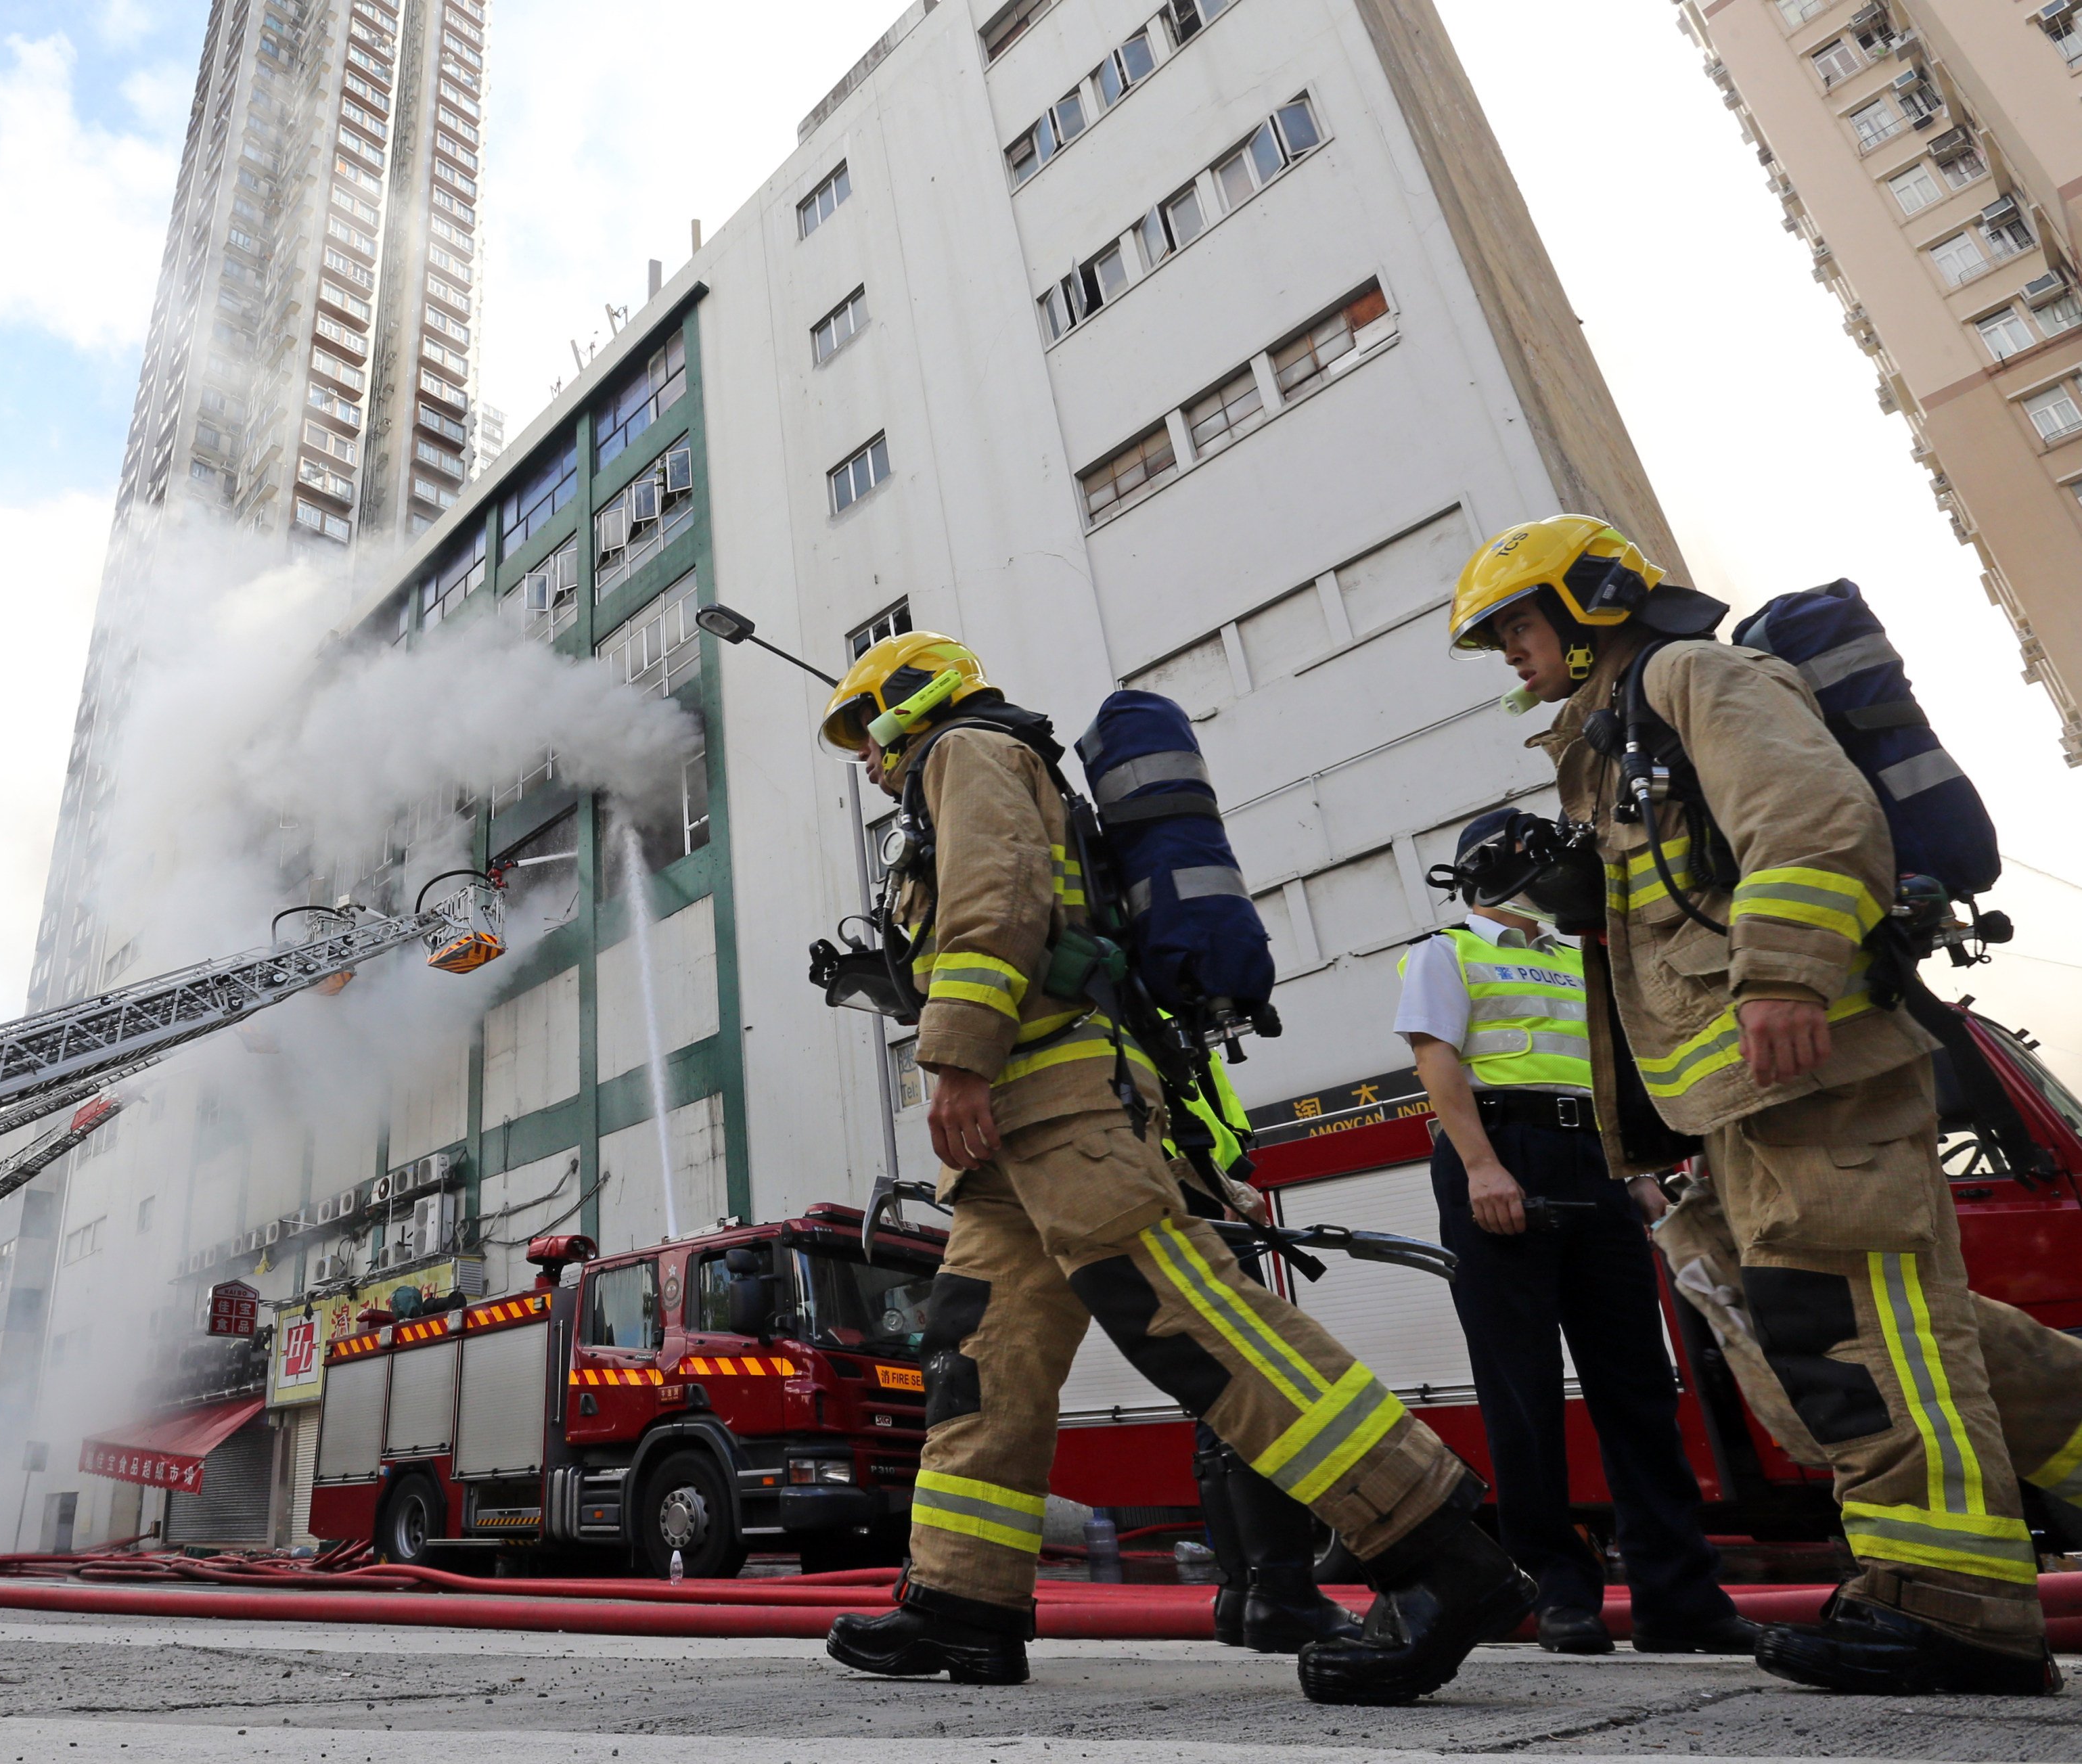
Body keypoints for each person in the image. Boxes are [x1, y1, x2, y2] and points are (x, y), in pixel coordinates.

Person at [813, 630, 1533, 1706]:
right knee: (981, 1355)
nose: (865, 762)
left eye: (864, 734)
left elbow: (996, 903)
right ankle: (963, 1600)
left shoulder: (964, 749)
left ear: (904, 703)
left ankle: (1438, 1552)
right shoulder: (951, 777)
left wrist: (954, 1055)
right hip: (1010, 1138)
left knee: (1189, 1321)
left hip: (1055, 1103)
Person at [1451, 513, 2082, 1696]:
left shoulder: (1694, 673)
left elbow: (1809, 818)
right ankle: (1957, 1562)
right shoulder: (1615, 740)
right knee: (1894, 1320)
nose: (1509, 654)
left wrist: (1788, 969)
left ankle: (1954, 1604)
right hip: (1743, 1096)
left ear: (1591, 602)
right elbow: (1673, 916)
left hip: (1812, 1058)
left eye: (1518, 626)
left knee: (1859, 1322)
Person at [1395, 813, 1757, 1657]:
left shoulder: (1576, 955)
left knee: (1638, 1385)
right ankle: (1557, 1590)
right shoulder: (1448, 949)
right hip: (1501, 1155)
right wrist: (1483, 1168)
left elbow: (1605, 1069)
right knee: (1521, 1391)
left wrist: (1635, 1175)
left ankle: (1679, 1598)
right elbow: (1436, 1061)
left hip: (1594, 1161)